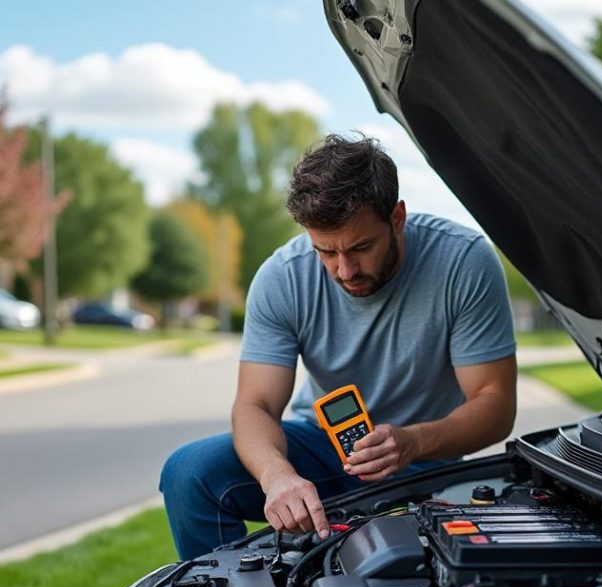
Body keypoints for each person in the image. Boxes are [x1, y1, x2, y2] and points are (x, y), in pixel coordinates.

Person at [160, 134, 517, 560]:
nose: (344, 270)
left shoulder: (464, 261)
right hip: (324, 449)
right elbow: (254, 405)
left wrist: (412, 442)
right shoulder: (283, 277)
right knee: (188, 473)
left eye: (361, 247)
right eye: (325, 251)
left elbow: (495, 404)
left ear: (397, 217)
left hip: (427, 457)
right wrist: (277, 477)